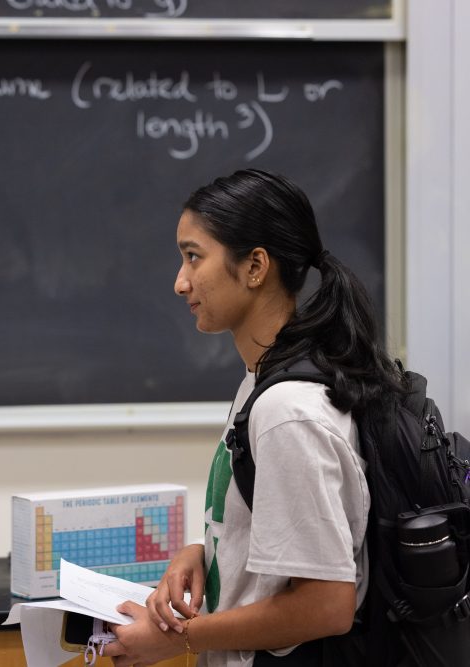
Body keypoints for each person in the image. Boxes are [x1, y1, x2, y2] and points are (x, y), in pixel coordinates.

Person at [103, 169, 406, 667]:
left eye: (194, 257)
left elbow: (326, 604)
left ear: (255, 266)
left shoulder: (288, 412)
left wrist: (178, 639)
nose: (181, 283)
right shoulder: (263, 383)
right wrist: (202, 553)